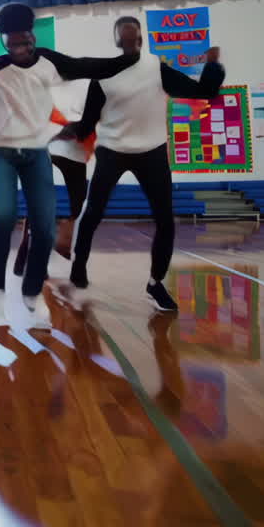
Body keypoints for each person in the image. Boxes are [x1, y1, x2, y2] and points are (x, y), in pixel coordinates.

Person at [0, 3, 137, 311]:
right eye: (13, 44)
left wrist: (127, 59)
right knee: (5, 215)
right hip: (0, 150)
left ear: (32, 38)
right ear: (4, 42)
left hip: (36, 150)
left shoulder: (50, 61)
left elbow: (88, 65)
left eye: (25, 41)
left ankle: (31, 288)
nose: (20, 49)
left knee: (45, 225)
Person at [60, 17, 225, 311]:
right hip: (113, 150)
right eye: (124, 40)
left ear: (140, 41)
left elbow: (204, 92)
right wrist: (65, 132)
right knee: (93, 212)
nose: (130, 44)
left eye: (135, 39)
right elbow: (87, 124)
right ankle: (79, 264)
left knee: (165, 219)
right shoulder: (102, 75)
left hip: (152, 150)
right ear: (116, 42)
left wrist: (212, 66)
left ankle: (155, 283)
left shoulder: (155, 69)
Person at [12, 104, 94, 278]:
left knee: (74, 209)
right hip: (54, 153)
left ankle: (42, 254)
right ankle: (35, 259)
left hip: (72, 157)